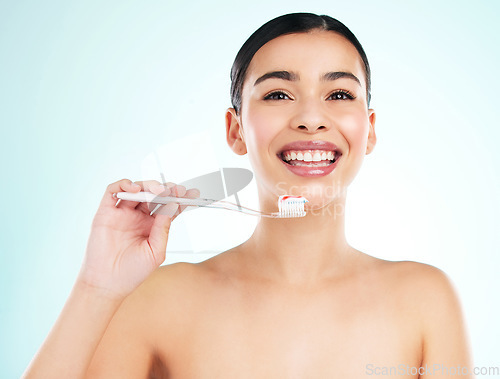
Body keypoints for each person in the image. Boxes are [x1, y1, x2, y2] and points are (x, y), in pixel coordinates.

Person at [24, 13, 473, 378]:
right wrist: (96, 289)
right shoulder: (162, 300)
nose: (311, 118)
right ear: (235, 130)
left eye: (338, 93)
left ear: (369, 130)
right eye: (279, 93)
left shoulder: (424, 301)